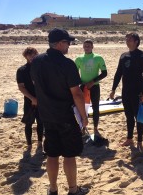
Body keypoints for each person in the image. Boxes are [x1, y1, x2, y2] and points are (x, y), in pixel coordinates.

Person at [30, 28, 89, 195]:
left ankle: (53, 189)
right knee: (69, 155)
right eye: (67, 42)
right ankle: (73, 190)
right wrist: (84, 117)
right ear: (60, 43)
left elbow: (36, 84)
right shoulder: (67, 64)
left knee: (52, 154)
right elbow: (76, 93)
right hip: (66, 116)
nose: (69, 45)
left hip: (46, 115)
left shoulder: (36, 61)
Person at [109, 33, 143, 151]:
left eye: (130, 39)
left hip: (138, 92)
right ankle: (129, 138)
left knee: (139, 117)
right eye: (126, 39)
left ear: (136, 41)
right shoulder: (124, 56)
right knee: (128, 116)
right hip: (125, 91)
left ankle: (140, 141)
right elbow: (118, 73)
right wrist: (113, 89)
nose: (127, 41)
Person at [75, 39, 107, 136]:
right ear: (83, 47)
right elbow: (75, 74)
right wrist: (83, 83)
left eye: (89, 46)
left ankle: (95, 128)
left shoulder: (98, 58)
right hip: (83, 87)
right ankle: (83, 127)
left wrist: (92, 82)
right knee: (82, 108)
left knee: (95, 107)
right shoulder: (79, 59)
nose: (87, 48)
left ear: (92, 47)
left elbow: (104, 73)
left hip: (95, 87)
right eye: (85, 46)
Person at [16, 47, 43, 150]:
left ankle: (40, 143)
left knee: (41, 122)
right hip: (29, 100)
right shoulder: (22, 70)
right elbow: (21, 87)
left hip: (41, 100)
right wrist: (32, 98)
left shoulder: (41, 68)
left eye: (34, 54)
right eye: (29, 54)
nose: (32, 56)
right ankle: (29, 144)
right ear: (25, 56)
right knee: (28, 123)